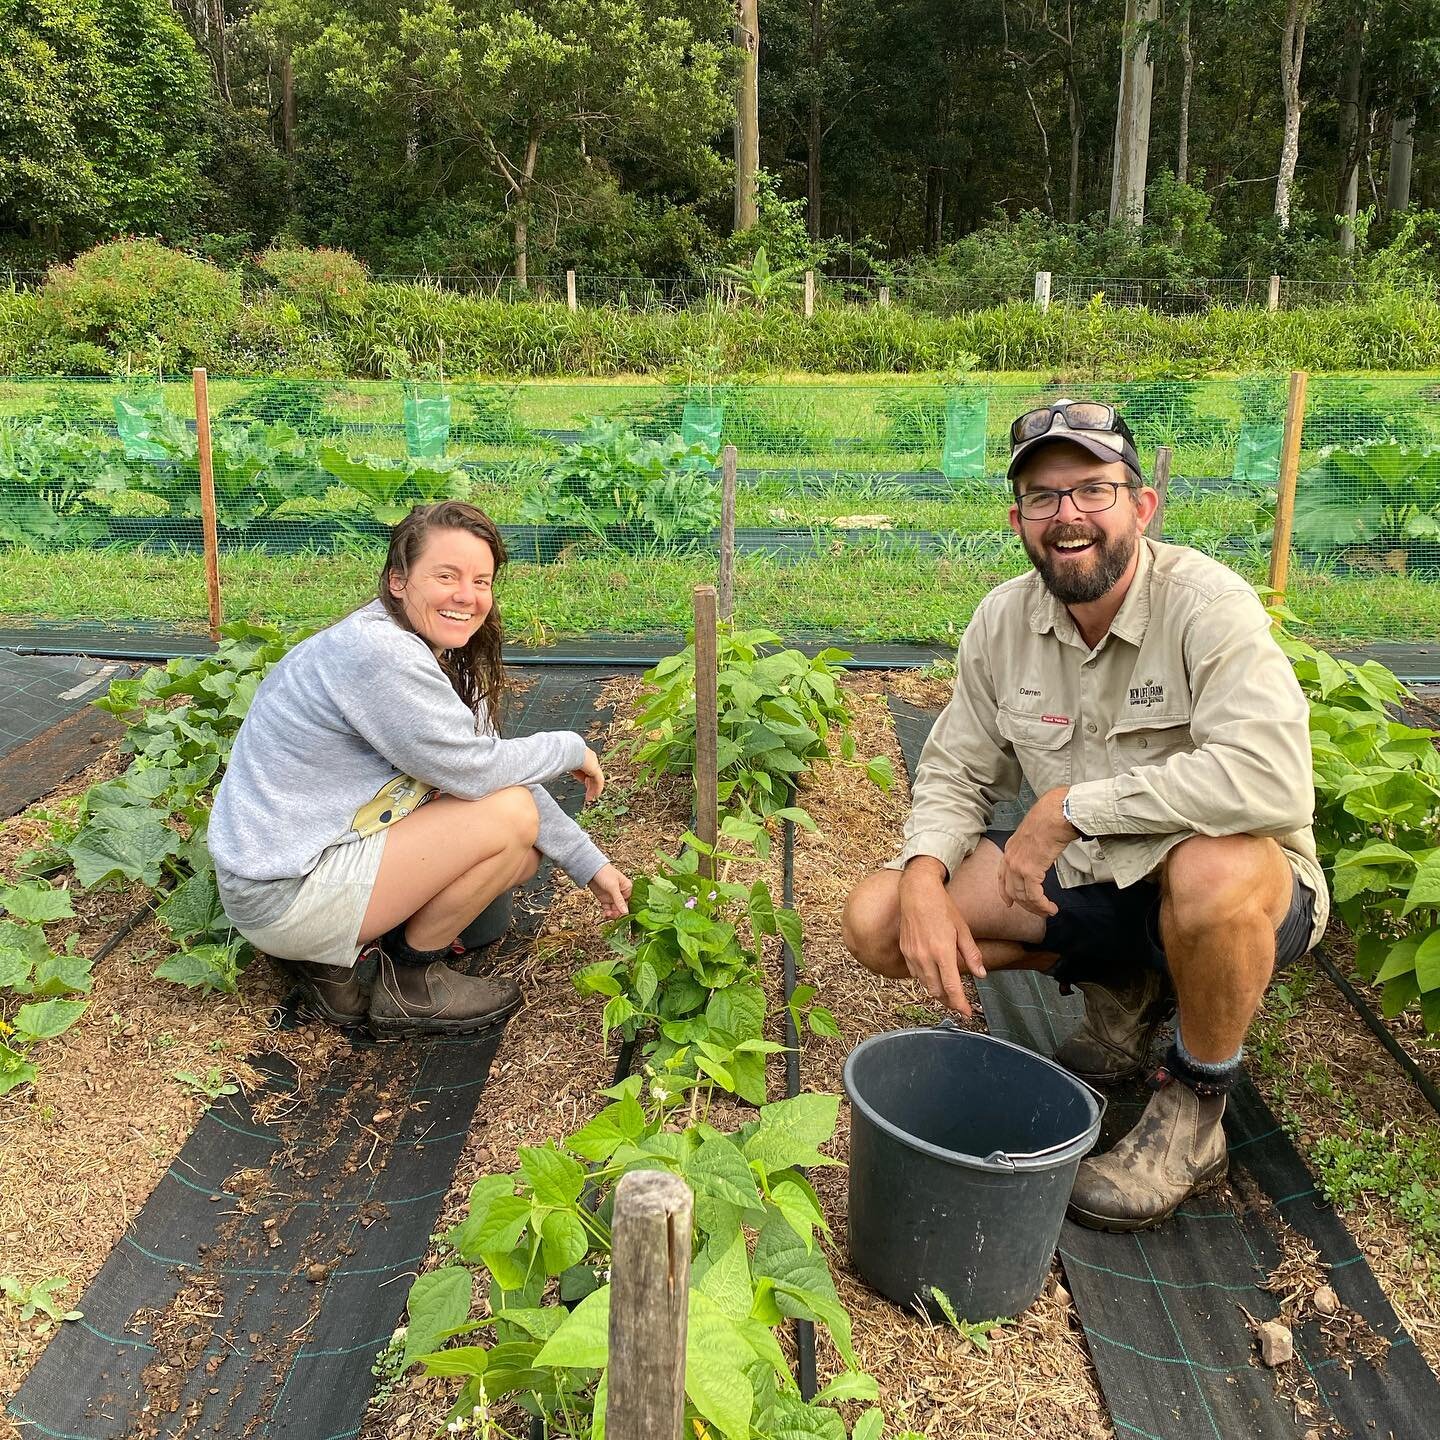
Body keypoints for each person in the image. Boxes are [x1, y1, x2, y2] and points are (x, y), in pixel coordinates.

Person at [842, 400, 1328, 1231]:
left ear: (1141, 506)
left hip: (1242, 892)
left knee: (1210, 872)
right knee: (878, 918)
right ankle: (1128, 986)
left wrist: (1072, 807)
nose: (1068, 515)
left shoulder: (1207, 605)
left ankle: (1195, 1109)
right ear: (1018, 519)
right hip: (1094, 885)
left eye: (1092, 491)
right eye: (1042, 496)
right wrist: (922, 875)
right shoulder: (1003, 620)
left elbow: (1273, 779)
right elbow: (957, 767)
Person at [209, 500, 632, 1038]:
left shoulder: (413, 645)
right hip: (283, 892)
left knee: (520, 855)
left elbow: (483, 766)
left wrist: (588, 864)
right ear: (398, 581)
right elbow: (483, 777)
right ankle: (410, 984)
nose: (467, 595)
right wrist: (571, 747)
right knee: (511, 818)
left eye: (482, 580)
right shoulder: (378, 655)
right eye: (446, 575)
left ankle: (343, 955)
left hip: (301, 865)